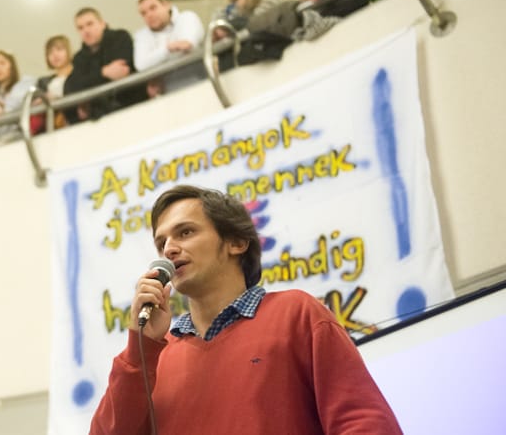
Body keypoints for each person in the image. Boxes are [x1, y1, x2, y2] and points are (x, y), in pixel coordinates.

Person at [89, 185, 402, 434]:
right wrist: (140, 349)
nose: (168, 249)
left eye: (185, 232)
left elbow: (363, 422)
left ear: (237, 242)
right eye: (161, 243)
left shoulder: (296, 313)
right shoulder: (153, 356)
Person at [64, 7, 146, 124]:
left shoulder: (120, 37)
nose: (86, 30)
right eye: (80, 28)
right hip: (100, 119)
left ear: (102, 24)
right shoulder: (79, 58)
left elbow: (121, 72)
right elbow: (74, 86)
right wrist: (104, 72)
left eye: (90, 24)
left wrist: (90, 81)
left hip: (135, 107)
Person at [134, 0, 205, 96]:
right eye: (143, 13)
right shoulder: (142, 35)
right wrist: (167, 49)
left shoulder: (186, 17)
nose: (149, 15)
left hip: (203, 84)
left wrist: (155, 60)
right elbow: (141, 65)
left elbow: (187, 44)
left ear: (166, 5)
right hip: (171, 96)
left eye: (153, 8)